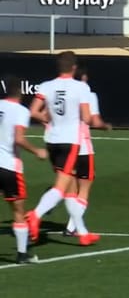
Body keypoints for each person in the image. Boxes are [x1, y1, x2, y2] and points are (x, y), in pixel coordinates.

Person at [28, 51, 101, 245]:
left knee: (68, 190)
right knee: (61, 188)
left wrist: (47, 117)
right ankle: (36, 214)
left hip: (52, 140)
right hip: (70, 142)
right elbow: (86, 118)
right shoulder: (80, 88)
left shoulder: (46, 86)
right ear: (74, 68)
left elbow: (33, 111)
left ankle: (83, 233)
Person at [0, 75, 47, 263]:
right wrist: (37, 151)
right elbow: (18, 138)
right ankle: (21, 254)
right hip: (9, 166)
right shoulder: (20, 111)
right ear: (20, 91)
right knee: (18, 210)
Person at [63, 67, 112, 237]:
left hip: (65, 146)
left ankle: (71, 224)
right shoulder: (88, 95)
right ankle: (72, 226)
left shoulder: (64, 94)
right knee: (84, 187)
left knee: (71, 186)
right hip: (82, 147)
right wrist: (105, 126)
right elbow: (94, 120)